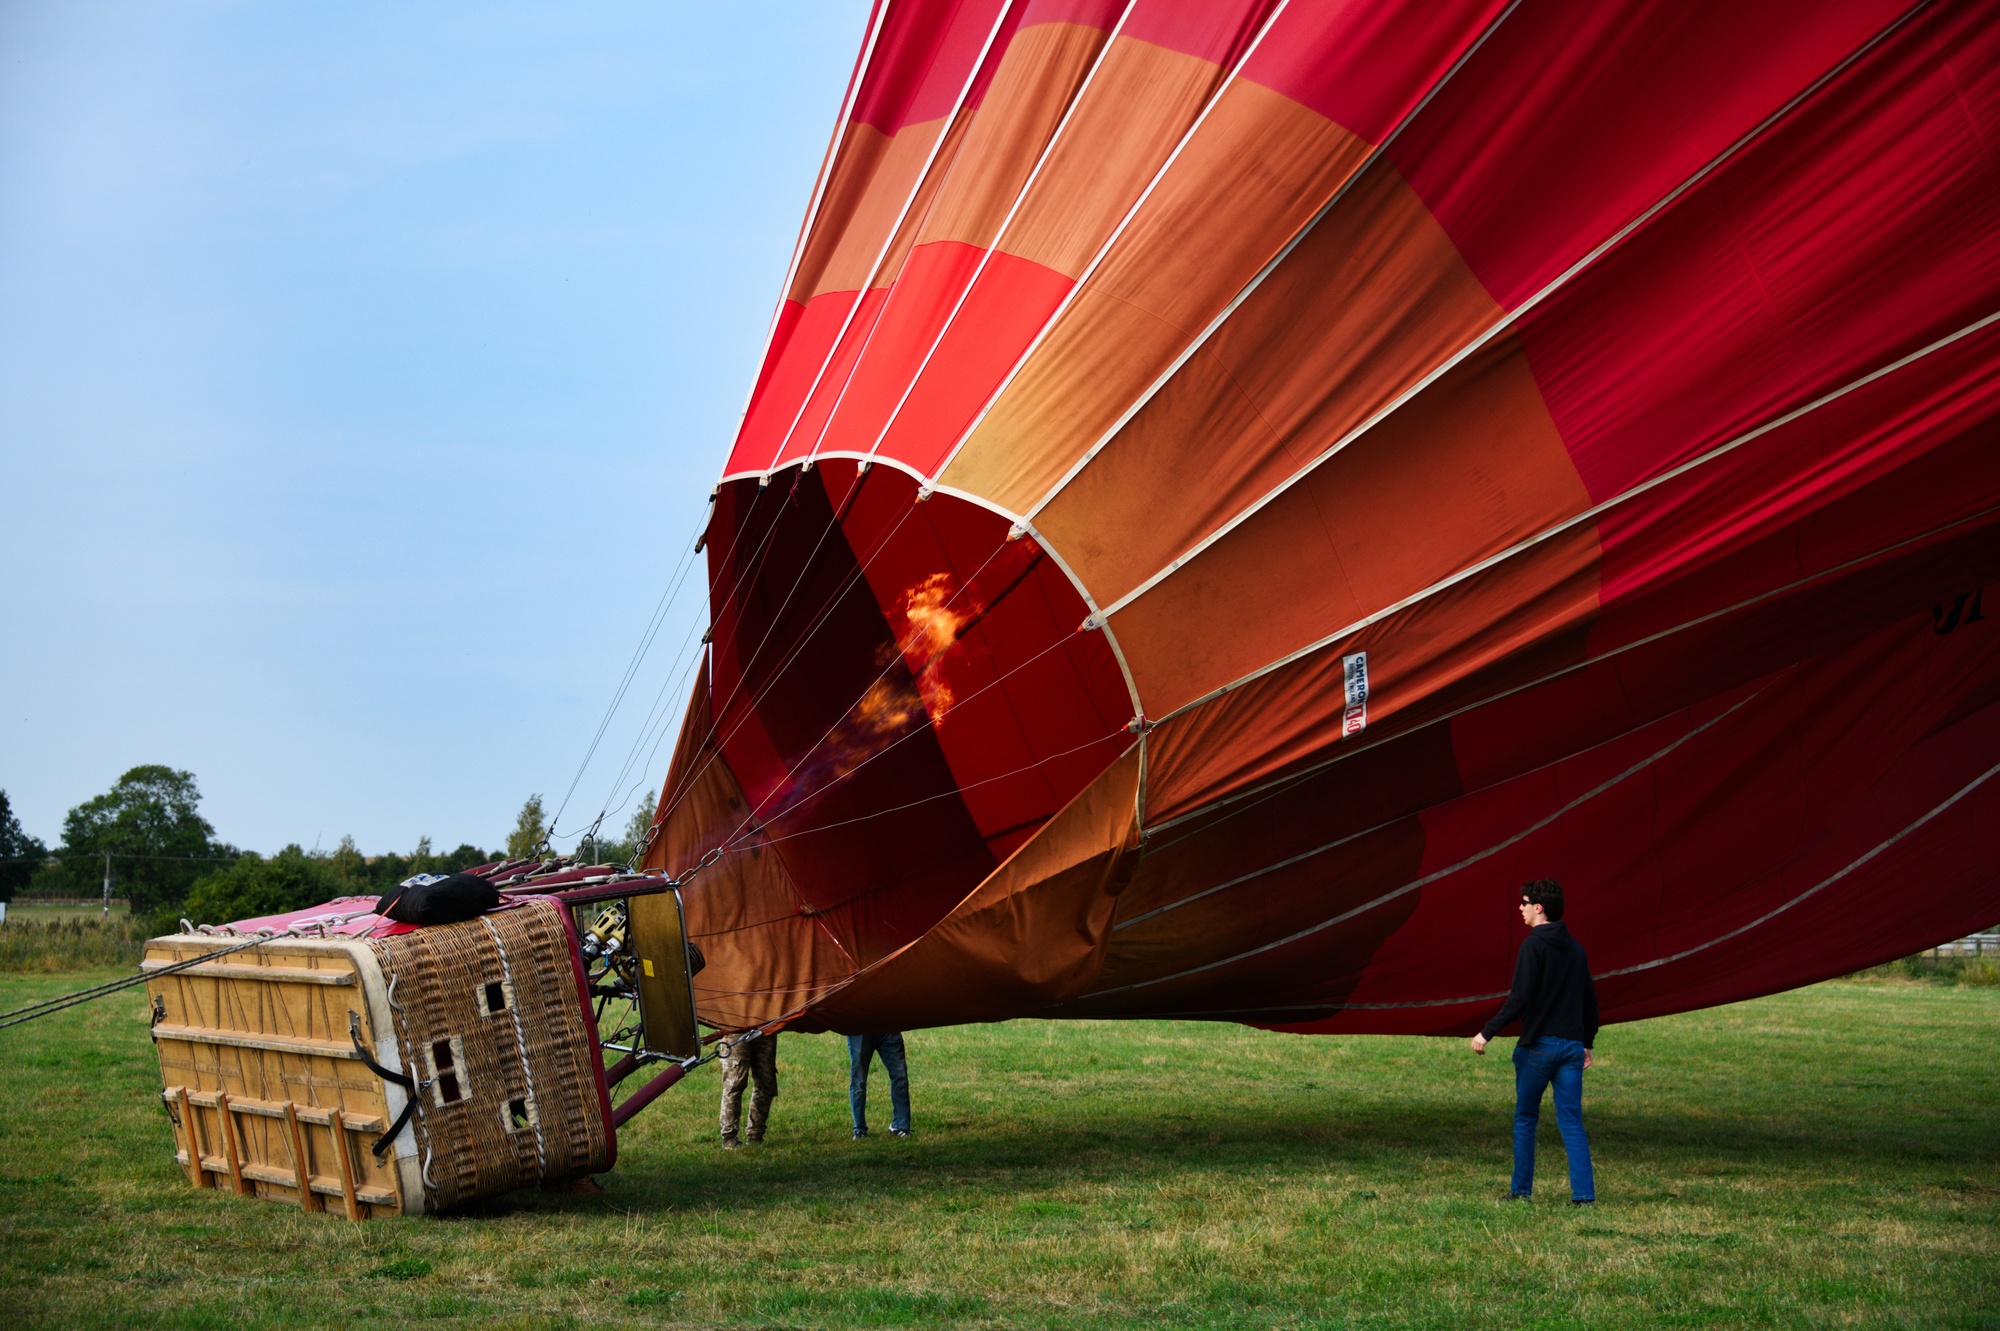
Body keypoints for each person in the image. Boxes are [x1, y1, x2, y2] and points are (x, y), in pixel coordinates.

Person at [1470, 878, 1599, 1204]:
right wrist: (1586, 1042)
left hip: (1538, 1047)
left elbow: (1520, 998)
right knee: (1571, 1122)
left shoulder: (1532, 947)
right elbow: (1590, 1001)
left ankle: (1521, 1192)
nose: (1520, 908)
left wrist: (1487, 1032)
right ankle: (1584, 1196)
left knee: (1526, 1119)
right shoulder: (1576, 949)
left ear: (1538, 908)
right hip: (1571, 1047)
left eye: (1524, 903)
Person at [718, 1030, 778, 1149]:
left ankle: (756, 1135)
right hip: (735, 1032)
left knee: (766, 1084)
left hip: (766, 1031)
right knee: (734, 1084)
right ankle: (729, 1137)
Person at [846, 1032, 911, 1139]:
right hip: (860, 1029)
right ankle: (859, 1130)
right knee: (859, 1080)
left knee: (900, 1075)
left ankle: (900, 1126)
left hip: (888, 1028)